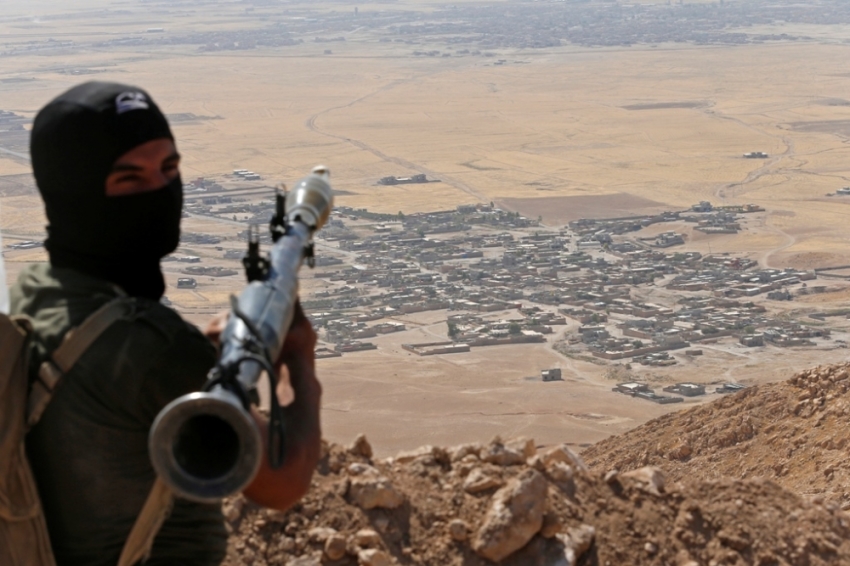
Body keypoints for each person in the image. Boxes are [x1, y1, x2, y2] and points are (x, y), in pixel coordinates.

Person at [9, 81, 322, 565]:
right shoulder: (157, 351)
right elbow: (283, 481)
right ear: (74, 192)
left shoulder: (32, 296)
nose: (159, 190)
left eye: (169, 168)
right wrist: (296, 358)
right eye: (129, 178)